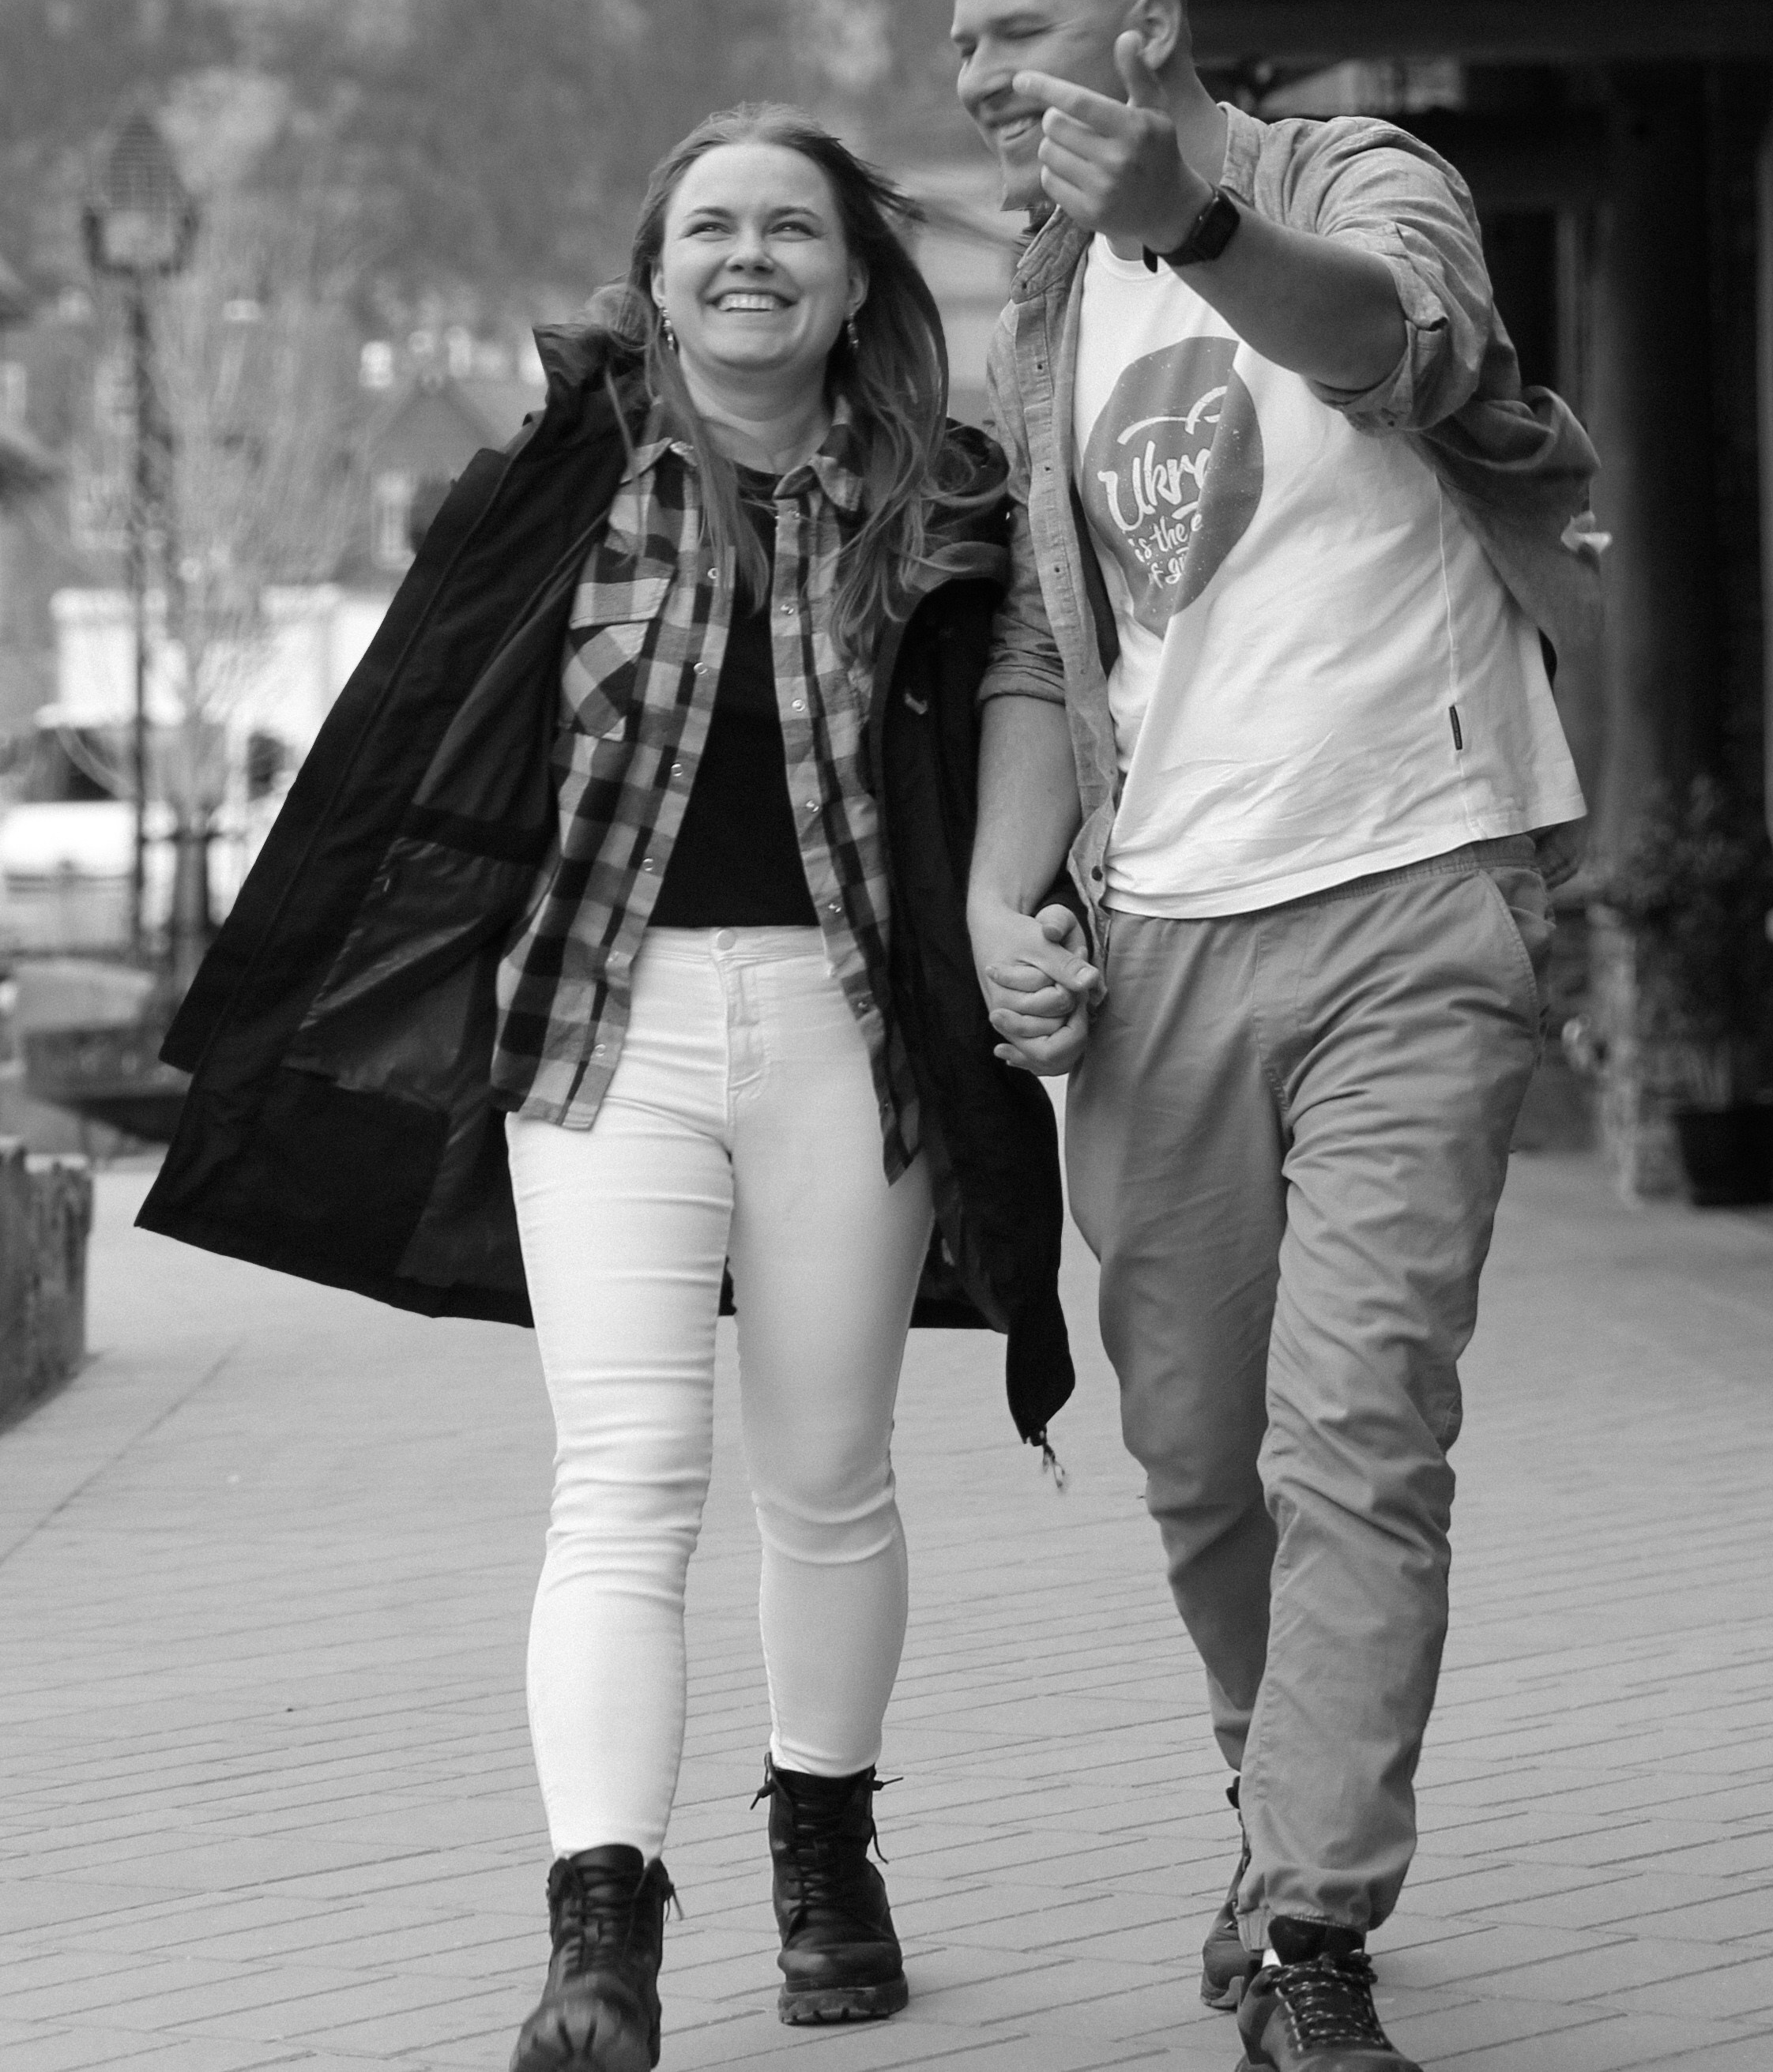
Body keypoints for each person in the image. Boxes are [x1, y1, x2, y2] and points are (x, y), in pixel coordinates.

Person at [137, 106, 1073, 2072]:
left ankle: (824, 1843)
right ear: (653, 274)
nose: (750, 257)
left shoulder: (945, 492)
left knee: (827, 1476)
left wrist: (1015, 918)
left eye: (791, 229)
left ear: (850, 277)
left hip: (847, 1031)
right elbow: (415, 746)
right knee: (624, 1479)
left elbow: (1028, 711)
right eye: (710, 227)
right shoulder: (559, 490)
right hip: (601, 1034)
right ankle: (601, 1928)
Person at [947, 0, 1602, 2072]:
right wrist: (996, 900)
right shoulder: (1047, 303)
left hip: (1419, 890)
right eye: (951, 48)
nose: (970, 84)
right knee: (1201, 1451)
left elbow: (1408, 350)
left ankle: (1314, 1931)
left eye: (1011, 33)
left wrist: (1201, 228)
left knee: (1354, 1427)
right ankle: (1272, 1794)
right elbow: (1056, 632)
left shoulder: (1349, 176)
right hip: (1167, 935)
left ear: (1143, 32)